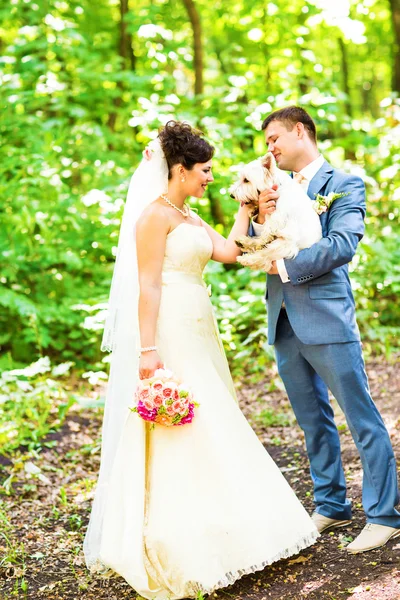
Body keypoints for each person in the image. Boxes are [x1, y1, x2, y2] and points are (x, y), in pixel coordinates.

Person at [83, 120, 318, 599]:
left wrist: (250, 209)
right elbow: (147, 286)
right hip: (166, 328)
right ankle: (182, 540)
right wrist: (148, 352)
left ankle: (230, 528)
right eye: (205, 170)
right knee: (183, 424)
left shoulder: (187, 216)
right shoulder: (154, 217)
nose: (212, 177)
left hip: (197, 325)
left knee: (211, 415)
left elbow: (230, 251)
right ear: (180, 169)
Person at [251, 106, 400, 553]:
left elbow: (342, 245)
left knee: (361, 418)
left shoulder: (344, 183)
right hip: (283, 318)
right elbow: (261, 240)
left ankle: (384, 514)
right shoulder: (273, 186)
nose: (270, 148)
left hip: (327, 316)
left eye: (275, 138)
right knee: (312, 421)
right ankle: (332, 503)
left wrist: (282, 265)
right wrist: (261, 214)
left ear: (301, 131)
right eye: (267, 143)